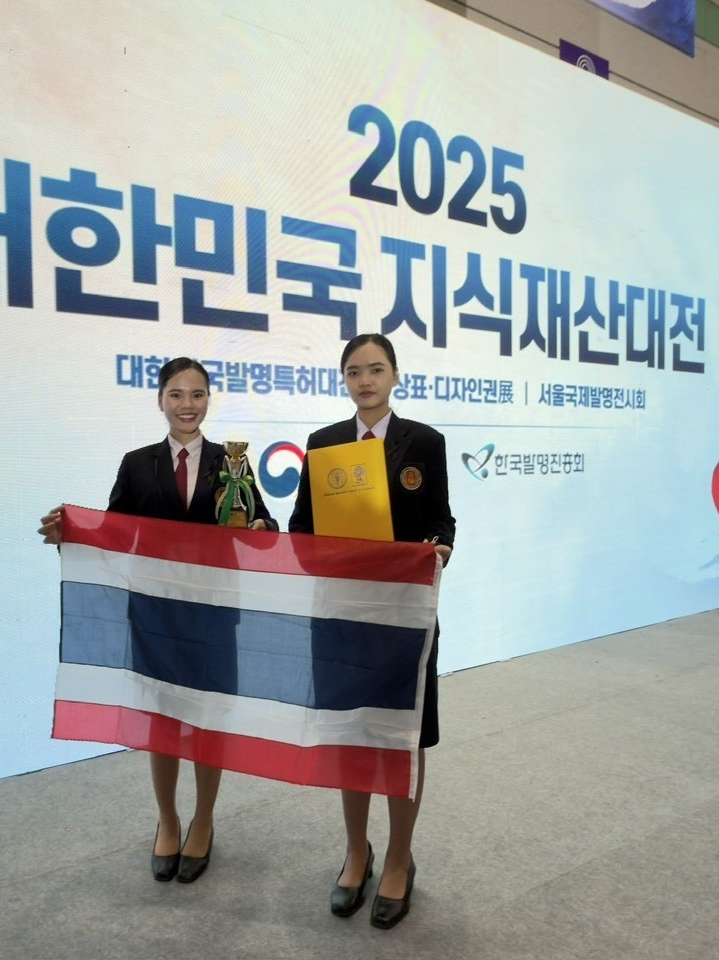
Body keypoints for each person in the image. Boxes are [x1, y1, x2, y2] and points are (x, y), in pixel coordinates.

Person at [38, 357, 274, 882]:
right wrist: (69, 534)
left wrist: (259, 526)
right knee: (162, 720)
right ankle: (168, 820)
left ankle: (204, 820)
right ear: (160, 400)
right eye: (176, 394)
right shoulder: (137, 463)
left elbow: (262, 524)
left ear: (209, 399)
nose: (187, 405)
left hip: (215, 614)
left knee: (208, 720)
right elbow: (113, 531)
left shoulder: (233, 461)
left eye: (197, 394)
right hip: (156, 614)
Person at [288, 333, 454, 930]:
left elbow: (441, 519)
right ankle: (357, 852)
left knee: (405, 737)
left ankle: (400, 858)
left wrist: (441, 548)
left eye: (376, 369)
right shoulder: (324, 443)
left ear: (395, 376)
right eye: (354, 371)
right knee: (352, 734)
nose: (365, 380)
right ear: (344, 379)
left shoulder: (425, 442)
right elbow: (301, 525)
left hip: (405, 615)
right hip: (343, 617)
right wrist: (316, 551)